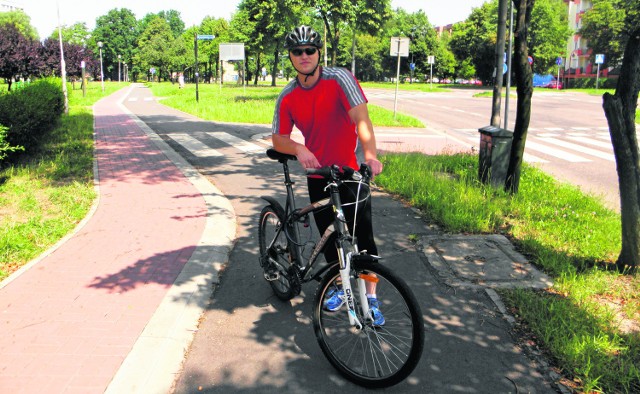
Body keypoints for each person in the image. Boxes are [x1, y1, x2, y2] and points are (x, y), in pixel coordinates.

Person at [271, 25, 384, 325]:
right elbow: (278, 138)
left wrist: (370, 156)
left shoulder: (339, 78)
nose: (304, 56)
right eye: (298, 51)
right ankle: (339, 286)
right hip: (319, 175)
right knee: (331, 238)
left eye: (310, 50)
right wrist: (298, 148)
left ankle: (371, 299)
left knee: (363, 239)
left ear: (319, 53)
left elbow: (362, 119)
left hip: (351, 171)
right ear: (291, 57)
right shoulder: (288, 96)